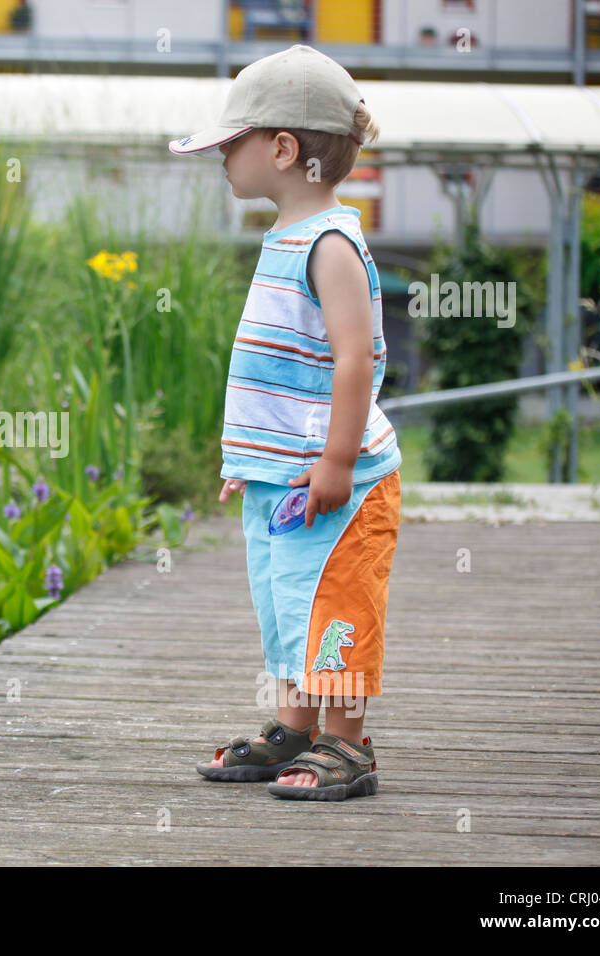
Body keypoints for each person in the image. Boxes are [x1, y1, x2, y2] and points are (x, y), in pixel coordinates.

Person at [169, 44, 402, 801]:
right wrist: (252, 459)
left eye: (230, 143)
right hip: (283, 477)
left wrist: (336, 460)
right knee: (287, 606)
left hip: (339, 478)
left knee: (334, 604)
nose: (221, 158)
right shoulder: (284, 238)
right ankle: (295, 729)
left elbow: (354, 359)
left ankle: (348, 743)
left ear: (282, 148)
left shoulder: (331, 244)